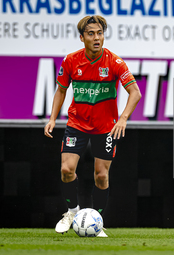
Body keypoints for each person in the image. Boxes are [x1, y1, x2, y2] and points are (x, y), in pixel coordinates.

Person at [44, 15, 141, 237]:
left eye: (100, 33)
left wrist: (123, 118)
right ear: (82, 37)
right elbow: (61, 90)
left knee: (101, 176)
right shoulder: (70, 60)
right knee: (67, 170)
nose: (97, 38)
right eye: (91, 34)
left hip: (105, 127)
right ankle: (71, 212)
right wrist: (52, 119)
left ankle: (96, 222)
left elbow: (135, 92)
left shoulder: (115, 62)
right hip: (77, 123)